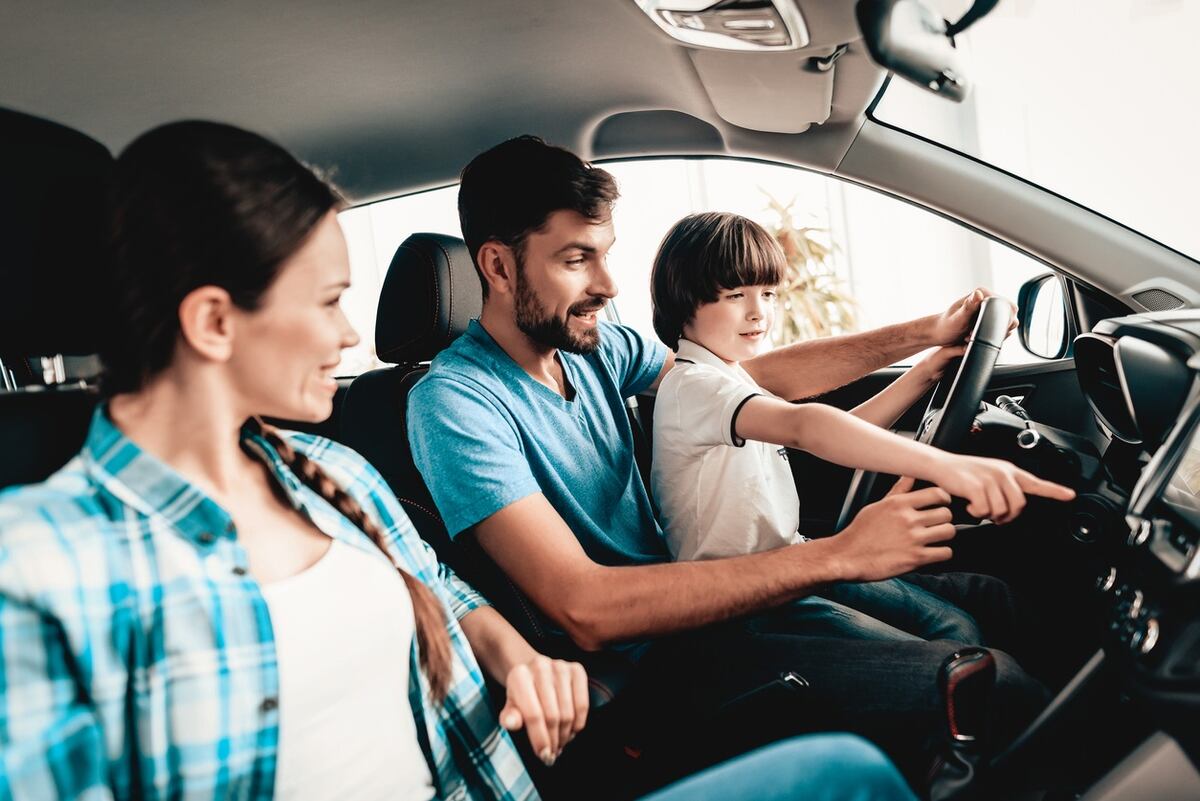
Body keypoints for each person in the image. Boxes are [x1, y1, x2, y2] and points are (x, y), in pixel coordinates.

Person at [0, 120, 918, 801]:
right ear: (211, 321)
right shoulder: (39, 569)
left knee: (857, 769)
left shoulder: (333, 479)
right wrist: (836, 553)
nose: (350, 333)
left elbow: (448, 589)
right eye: (325, 303)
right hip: (646, 688)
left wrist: (514, 652)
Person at [406, 135, 1069, 782]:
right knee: (996, 686)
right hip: (660, 669)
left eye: (607, 254)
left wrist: (922, 337)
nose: (608, 284)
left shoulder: (593, 346)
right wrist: (838, 554)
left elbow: (737, 381)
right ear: (497, 266)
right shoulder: (456, 403)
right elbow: (587, 606)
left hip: (717, 613)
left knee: (999, 600)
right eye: (577, 259)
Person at [648, 211, 1074, 644]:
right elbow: (806, 427)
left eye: (770, 294)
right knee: (956, 631)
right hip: (746, 602)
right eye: (736, 295)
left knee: (989, 598)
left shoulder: (728, 376)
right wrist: (946, 465)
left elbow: (840, 433)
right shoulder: (693, 387)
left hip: (793, 564)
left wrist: (924, 373)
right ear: (684, 301)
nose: (759, 313)